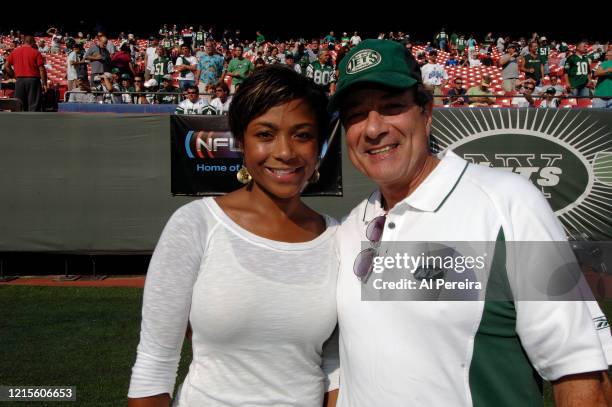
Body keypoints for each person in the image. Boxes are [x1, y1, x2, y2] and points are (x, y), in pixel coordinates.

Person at [327, 38, 612, 407]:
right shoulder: (349, 228)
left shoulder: (509, 202)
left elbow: (580, 372)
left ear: (426, 112)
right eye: (355, 115)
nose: (372, 128)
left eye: (392, 107)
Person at [128, 64, 339, 406]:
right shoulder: (195, 224)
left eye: (302, 134)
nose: (285, 152)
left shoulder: (338, 237)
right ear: (240, 141)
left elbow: (336, 367)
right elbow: (155, 365)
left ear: (320, 145)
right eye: (265, 134)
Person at [4, 35, 47, 111]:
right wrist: (44, 83)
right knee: (34, 106)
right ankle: (33, 122)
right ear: (32, 42)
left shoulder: (15, 52)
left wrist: (14, 76)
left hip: (19, 80)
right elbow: (42, 70)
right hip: (33, 81)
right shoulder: (36, 52)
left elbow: (6, 66)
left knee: (20, 106)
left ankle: (21, 122)